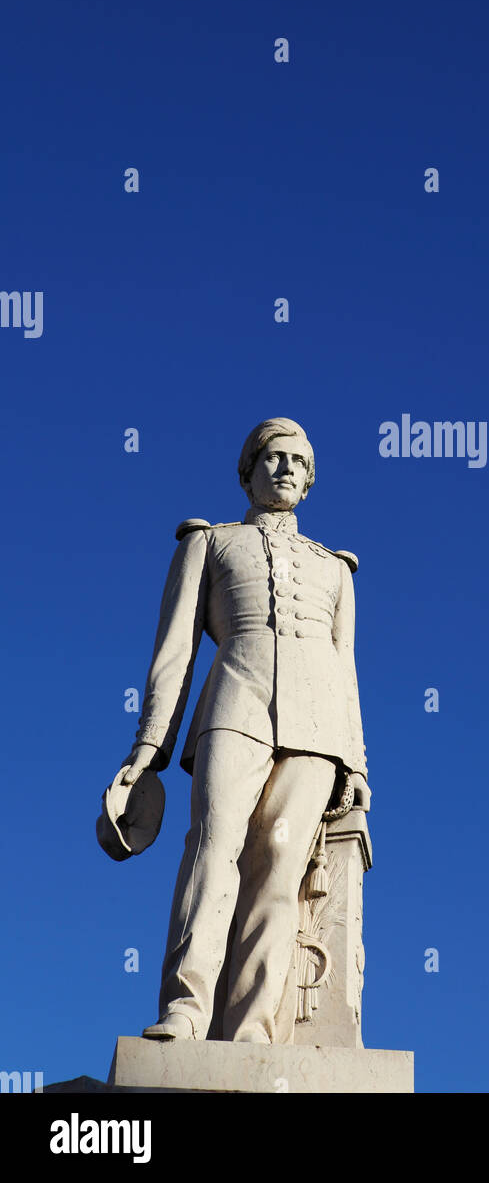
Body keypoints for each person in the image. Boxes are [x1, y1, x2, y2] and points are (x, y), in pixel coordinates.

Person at [110, 417, 369, 1043]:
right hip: (234, 703)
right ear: (247, 471)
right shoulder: (209, 542)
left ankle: (253, 1024)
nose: (284, 469)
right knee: (215, 843)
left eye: (297, 462)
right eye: (272, 458)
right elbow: (174, 652)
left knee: (281, 857)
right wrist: (150, 747)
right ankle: (187, 1008)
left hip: (318, 724)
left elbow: (346, 667)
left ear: (309, 482)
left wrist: (358, 765)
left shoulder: (336, 569)